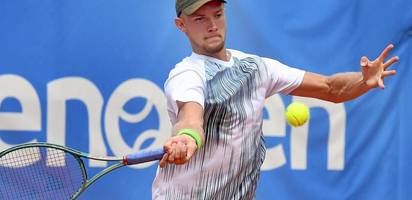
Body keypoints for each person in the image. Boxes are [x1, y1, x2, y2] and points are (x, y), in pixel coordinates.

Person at [152, 0, 399, 199]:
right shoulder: (187, 74)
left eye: (217, 15)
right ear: (180, 24)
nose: (212, 25)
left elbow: (330, 88)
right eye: (199, 19)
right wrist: (187, 139)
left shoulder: (258, 68)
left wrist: (362, 81)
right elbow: (190, 118)